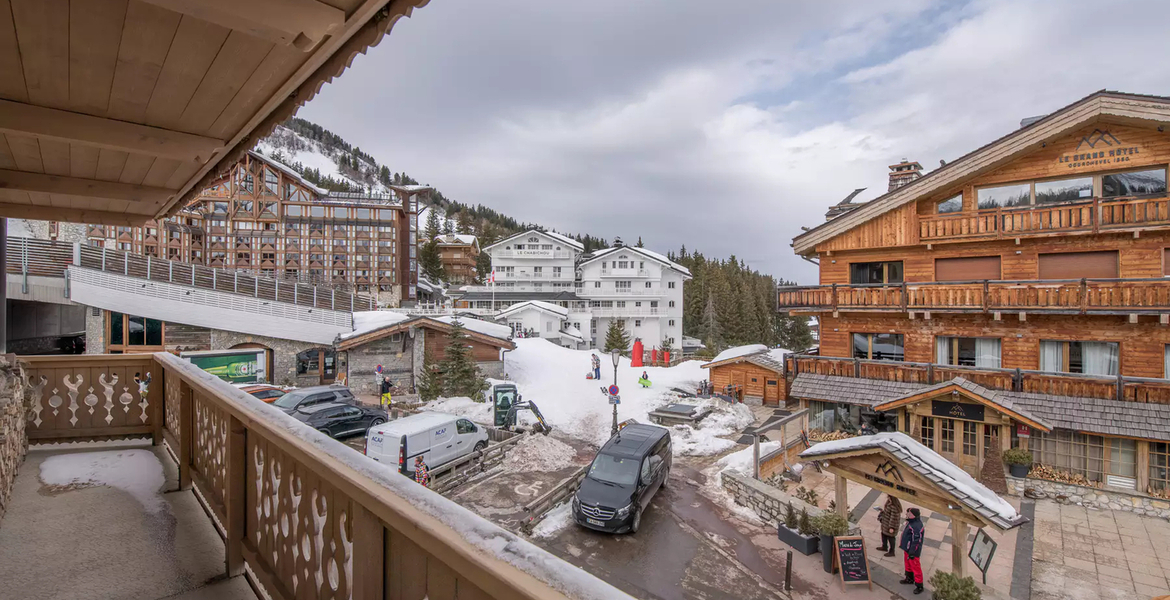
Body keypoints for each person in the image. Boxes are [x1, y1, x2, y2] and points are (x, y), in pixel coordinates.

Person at [899, 507, 925, 594]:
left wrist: (912, 552)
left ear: (913, 515)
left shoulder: (916, 526)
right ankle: (909, 578)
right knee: (908, 564)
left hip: (913, 551)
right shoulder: (911, 522)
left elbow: (917, 540)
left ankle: (919, 585)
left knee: (916, 567)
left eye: (908, 514)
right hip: (907, 549)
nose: (907, 515)